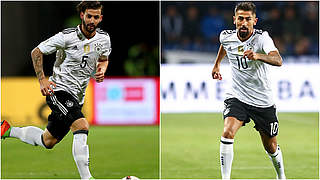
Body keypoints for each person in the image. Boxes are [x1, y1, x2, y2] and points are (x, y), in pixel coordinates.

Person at [1, 1, 111, 179]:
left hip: (77, 97)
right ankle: (87, 178)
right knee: (81, 125)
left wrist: (101, 69)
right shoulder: (66, 37)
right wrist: (42, 80)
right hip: (58, 91)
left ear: (100, 18)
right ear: (82, 15)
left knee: (48, 140)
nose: (92, 20)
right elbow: (36, 52)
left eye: (96, 17)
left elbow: (104, 59)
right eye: (89, 16)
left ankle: (7, 131)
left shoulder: (104, 39)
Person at [211, 2, 286, 179]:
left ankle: (281, 176)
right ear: (234, 20)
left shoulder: (262, 39)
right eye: (240, 18)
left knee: (271, 146)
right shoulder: (226, 36)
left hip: (262, 100)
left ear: (255, 21)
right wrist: (216, 65)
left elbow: (278, 60)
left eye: (248, 19)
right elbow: (225, 46)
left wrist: (258, 55)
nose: (244, 23)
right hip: (237, 96)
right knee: (227, 132)